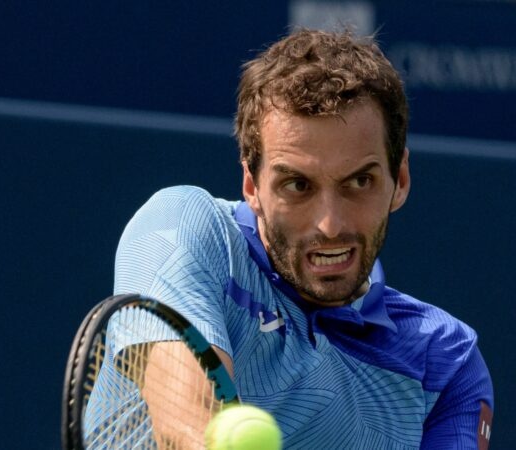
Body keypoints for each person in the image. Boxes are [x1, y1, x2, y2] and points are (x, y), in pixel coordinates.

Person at [112, 29, 494, 449]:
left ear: (399, 180)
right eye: (297, 185)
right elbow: (185, 427)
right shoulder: (181, 227)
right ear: (252, 185)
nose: (329, 225)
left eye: (359, 181)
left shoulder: (445, 361)